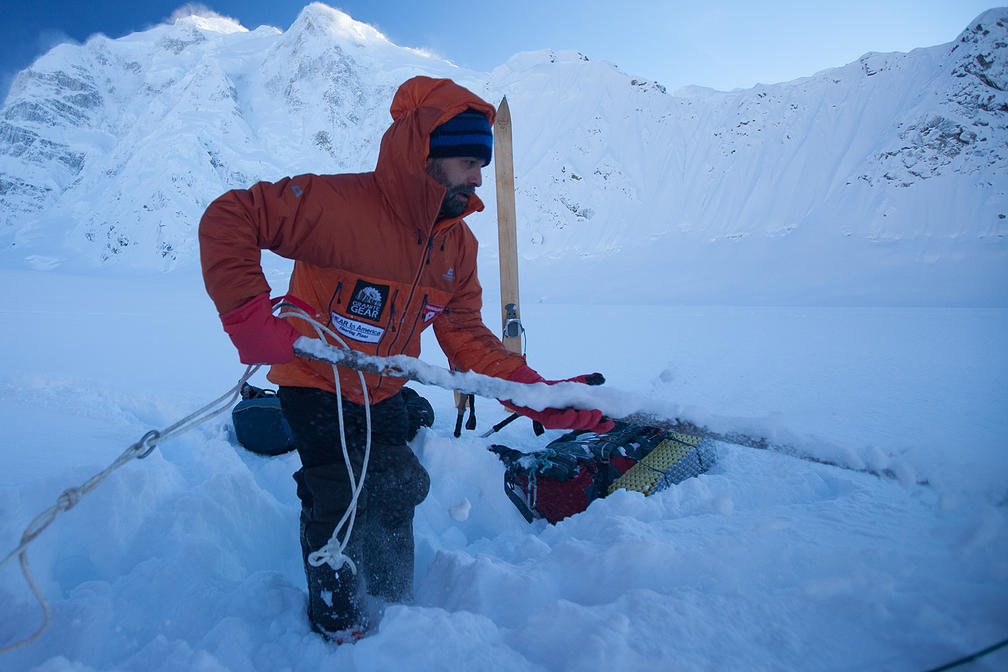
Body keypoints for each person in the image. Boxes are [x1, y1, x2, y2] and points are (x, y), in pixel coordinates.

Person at [198, 76, 613, 642]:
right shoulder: (335, 205)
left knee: (396, 485)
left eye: (481, 165)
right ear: (429, 157)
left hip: (384, 386)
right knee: (339, 494)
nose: (478, 177)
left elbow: (465, 335)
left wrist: (534, 392)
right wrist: (248, 315)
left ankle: (396, 610)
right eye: (469, 161)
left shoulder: (457, 246)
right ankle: (338, 626)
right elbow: (231, 216)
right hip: (314, 379)